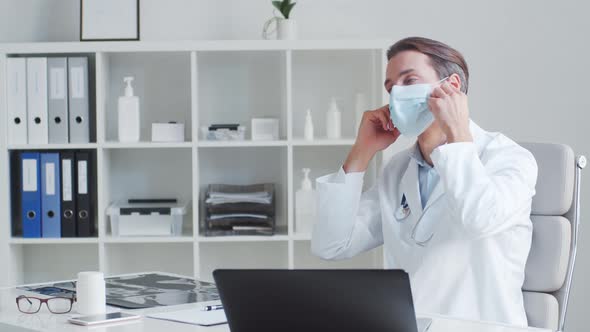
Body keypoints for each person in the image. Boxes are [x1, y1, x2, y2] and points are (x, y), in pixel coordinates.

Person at [311, 37, 538, 327]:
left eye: (410, 81)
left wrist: (456, 131)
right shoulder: (398, 170)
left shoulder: (510, 159)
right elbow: (332, 245)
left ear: (452, 87)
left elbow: (478, 219)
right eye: (391, 88)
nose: (396, 96)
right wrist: (361, 151)